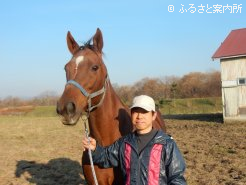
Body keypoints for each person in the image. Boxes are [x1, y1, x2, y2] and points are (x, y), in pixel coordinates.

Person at [82, 95, 187, 185]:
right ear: (131, 114)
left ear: (153, 115)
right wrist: (95, 148)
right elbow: (107, 157)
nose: (139, 116)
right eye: (136, 112)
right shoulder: (124, 143)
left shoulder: (167, 144)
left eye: (144, 112)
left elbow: (177, 178)